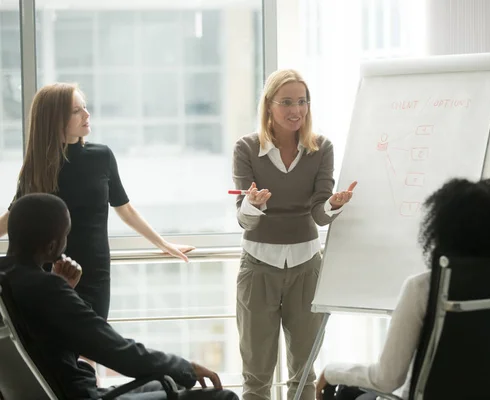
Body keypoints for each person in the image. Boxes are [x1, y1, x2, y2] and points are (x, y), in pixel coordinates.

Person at [0, 193, 237, 400]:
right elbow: (116, 351)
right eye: (66, 235)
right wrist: (186, 368)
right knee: (221, 397)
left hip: (48, 391)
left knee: (164, 383)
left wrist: (63, 288)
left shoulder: (8, 279)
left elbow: (42, 341)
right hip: (78, 394)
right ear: (53, 247)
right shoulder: (46, 289)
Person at [0, 82, 194, 321]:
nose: (87, 114)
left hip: (95, 272)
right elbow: (14, 217)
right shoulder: (36, 167)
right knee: (56, 348)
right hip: (50, 273)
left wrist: (164, 244)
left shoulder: (101, 156)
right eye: (76, 111)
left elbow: (125, 209)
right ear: (55, 118)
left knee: (92, 349)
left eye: (85, 107)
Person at [315, 178, 490, 400]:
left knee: (345, 393)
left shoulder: (424, 288)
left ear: (441, 229)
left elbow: (386, 379)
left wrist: (331, 371)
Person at [232, 69, 357, 400]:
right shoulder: (246, 148)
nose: (296, 110)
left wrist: (332, 204)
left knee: (304, 375)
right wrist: (253, 204)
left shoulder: (321, 148)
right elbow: (245, 222)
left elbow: (318, 213)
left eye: (302, 101)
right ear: (268, 106)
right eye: (286, 102)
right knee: (256, 375)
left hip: (306, 266)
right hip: (258, 267)